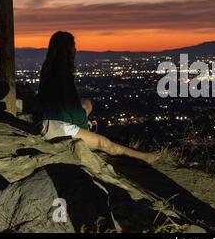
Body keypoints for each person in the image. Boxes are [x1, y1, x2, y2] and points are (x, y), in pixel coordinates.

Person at [37, 31, 161, 164]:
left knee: (86, 103)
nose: (75, 49)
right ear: (67, 50)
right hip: (58, 127)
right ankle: (145, 158)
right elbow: (71, 108)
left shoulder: (49, 69)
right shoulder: (63, 74)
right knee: (105, 144)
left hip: (49, 121)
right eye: (73, 46)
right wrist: (84, 126)